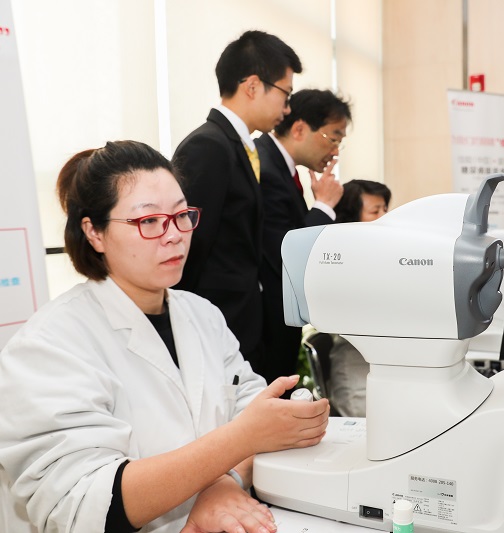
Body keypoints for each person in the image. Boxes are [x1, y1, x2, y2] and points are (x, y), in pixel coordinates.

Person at [0, 141, 329, 533]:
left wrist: (223, 483)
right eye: (149, 221)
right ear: (95, 233)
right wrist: (240, 440)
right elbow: (85, 503)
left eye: (181, 215)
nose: (174, 235)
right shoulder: (50, 344)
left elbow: (256, 415)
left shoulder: (203, 315)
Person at [172, 30, 302, 378]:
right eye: (285, 93)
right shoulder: (208, 146)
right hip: (218, 319)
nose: (287, 108)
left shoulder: (238, 146)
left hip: (240, 320)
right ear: (253, 86)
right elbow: (190, 244)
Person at [254, 89, 350, 385]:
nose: (335, 151)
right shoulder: (264, 168)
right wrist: (323, 205)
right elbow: (285, 252)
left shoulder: (279, 166)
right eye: (333, 138)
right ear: (299, 129)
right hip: (263, 324)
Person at [326, 180, 391, 416]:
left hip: (384, 364)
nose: (384, 217)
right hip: (356, 366)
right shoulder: (340, 261)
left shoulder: (384, 252)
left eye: (385, 209)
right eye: (375, 211)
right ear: (352, 217)